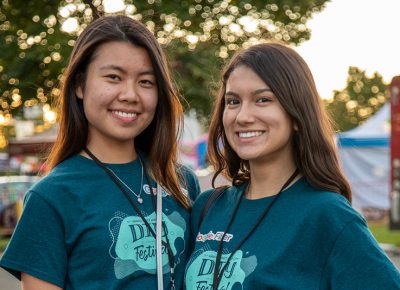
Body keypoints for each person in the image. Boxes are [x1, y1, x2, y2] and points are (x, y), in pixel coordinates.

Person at [0, 15, 200, 289]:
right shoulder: (51, 197)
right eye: (113, 77)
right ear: (80, 85)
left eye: (146, 82)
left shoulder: (182, 182)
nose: (130, 94)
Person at [184, 43, 400, 289]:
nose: (242, 116)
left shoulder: (328, 215)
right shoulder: (208, 206)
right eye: (233, 102)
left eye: (263, 100)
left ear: (297, 114)